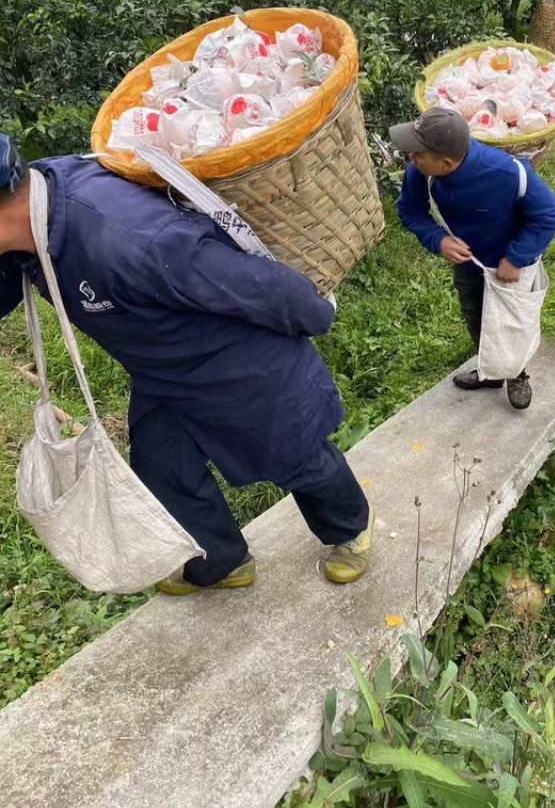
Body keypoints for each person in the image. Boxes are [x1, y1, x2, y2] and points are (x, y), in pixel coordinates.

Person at [0, 134, 373, 594]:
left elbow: (255, 286)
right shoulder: (36, 208)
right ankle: (220, 561)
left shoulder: (131, 240)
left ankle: (350, 529)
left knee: (294, 458)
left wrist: (315, 311)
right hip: (163, 366)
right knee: (162, 464)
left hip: (239, 359)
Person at [390, 108, 555, 411]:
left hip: (509, 268)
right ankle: (491, 372)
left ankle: (516, 374)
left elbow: (549, 215)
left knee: (512, 322)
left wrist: (516, 257)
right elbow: (410, 212)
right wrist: (438, 239)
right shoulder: (421, 172)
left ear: (446, 162)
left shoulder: (506, 174)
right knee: (476, 314)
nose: (411, 158)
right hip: (470, 264)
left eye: (418, 153)